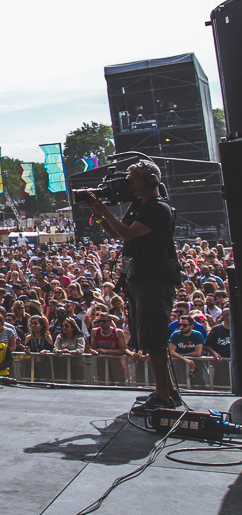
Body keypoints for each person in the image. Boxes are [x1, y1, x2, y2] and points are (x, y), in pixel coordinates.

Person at [85, 160, 181, 412]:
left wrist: (104, 210)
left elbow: (128, 234)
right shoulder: (140, 205)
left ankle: (162, 397)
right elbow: (118, 233)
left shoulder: (158, 208)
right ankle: (167, 391)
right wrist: (99, 213)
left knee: (154, 337)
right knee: (148, 337)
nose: (128, 183)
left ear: (151, 180)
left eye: (133, 178)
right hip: (139, 278)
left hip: (154, 279)